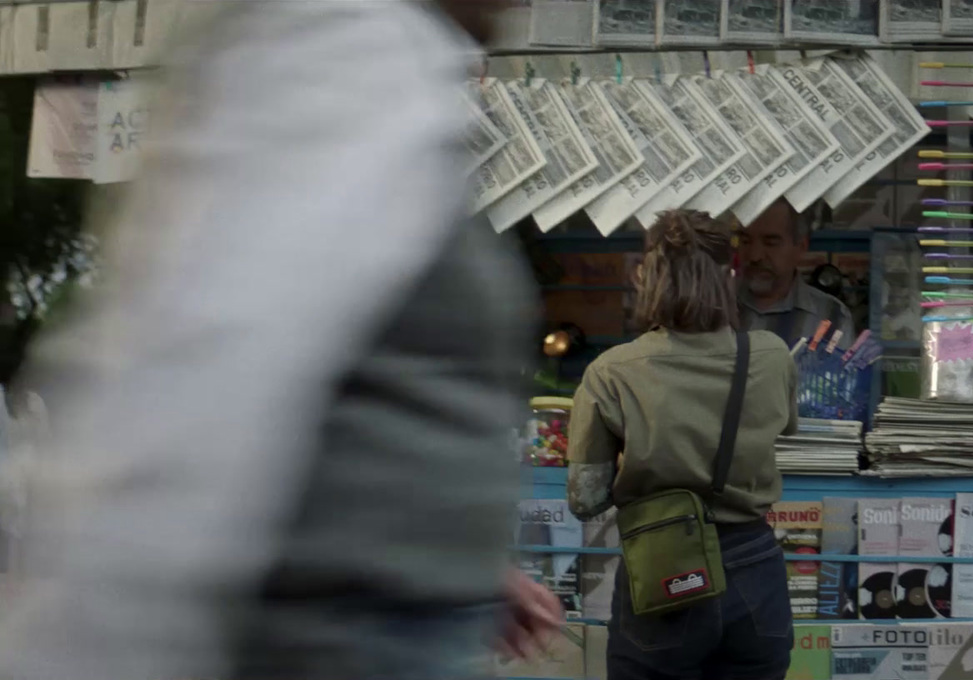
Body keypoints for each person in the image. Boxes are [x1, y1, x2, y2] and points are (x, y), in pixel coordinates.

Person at [0, 3, 565, 679]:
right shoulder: (335, 46)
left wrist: (454, 552)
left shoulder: (396, 61)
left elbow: (341, 384)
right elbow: (199, 370)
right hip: (325, 641)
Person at [566, 209, 798, 680]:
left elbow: (585, 499)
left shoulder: (612, 371)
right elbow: (785, 430)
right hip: (756, 570)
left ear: (646, 276)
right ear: (728, 276)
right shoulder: (772, 355)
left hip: (664, 566)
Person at [738, 200, 855, 346]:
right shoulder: (712, 306)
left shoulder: (832, 317)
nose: (754, 256)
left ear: (801, 247)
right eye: (745, 241)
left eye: (771, 243)